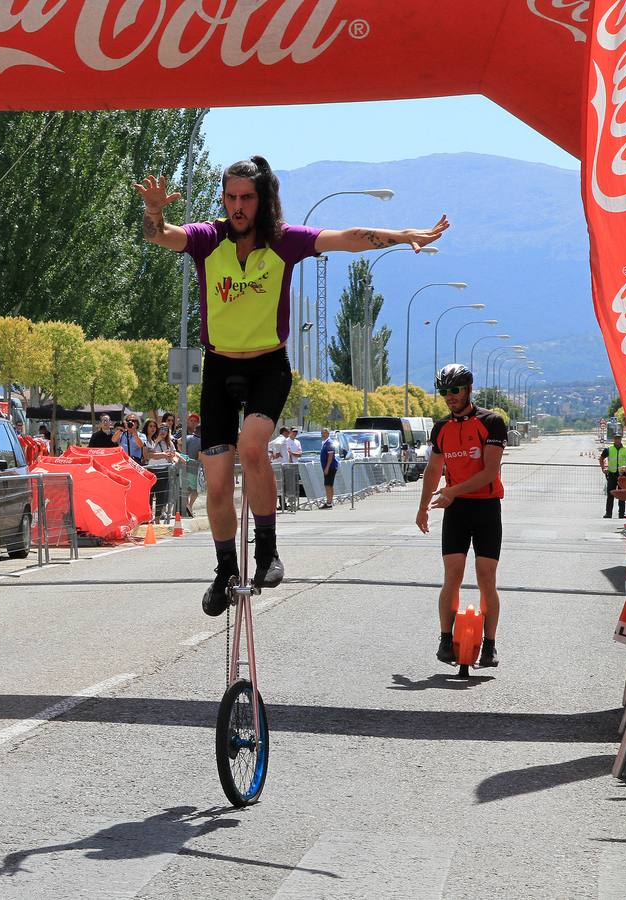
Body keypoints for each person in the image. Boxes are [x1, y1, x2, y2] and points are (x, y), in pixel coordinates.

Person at [135, 157, 449, 616]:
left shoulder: (283, 241)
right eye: (231, 197)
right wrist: (155, 212)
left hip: (269, 366)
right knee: (217, 481)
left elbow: (348, 239)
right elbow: (159, 236)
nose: (238, 206)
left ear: (262, 200)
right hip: (218, 367)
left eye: (246, 197)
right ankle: (225, 568)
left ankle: (267, 551)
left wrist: (402, 236)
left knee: (252, 447)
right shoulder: (208, 238)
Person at [416, 364, 505, 669]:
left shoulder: (491, 422)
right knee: (451, 577)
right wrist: (422, 505)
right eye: (444, 392)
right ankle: (444, 640)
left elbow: (489, 472)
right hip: (455, 510)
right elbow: (433, 469)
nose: (449, 397)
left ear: (468, 390)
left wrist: (452, 491)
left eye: (455, 390)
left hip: (486, 507)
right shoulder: (441, 428)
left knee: (486, 578)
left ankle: (490, 646)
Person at [143, 419, 173, 522]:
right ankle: (149, 517)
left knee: (161, 496)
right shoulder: (152, 440)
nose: (163, 431)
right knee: (150, 495)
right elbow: (149, 454)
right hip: (151, 470)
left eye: (166, 429)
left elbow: (172, 455)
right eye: (161, 429)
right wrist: (158, 440)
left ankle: (157, 518)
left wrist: (172, 457)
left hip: (164, 470)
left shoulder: (169, 443)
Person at [601, 433, 626, 519]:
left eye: (619, 438)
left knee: (622, 495)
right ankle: (608, 513)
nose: (617, 440)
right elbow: (602, 458)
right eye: (616, 438)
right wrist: (603, 468)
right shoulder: (609, 449)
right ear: (614, 439)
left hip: (622, 475)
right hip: (612, 474)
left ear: (621, 439)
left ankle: (621, 514)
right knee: (610, 494)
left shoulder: (625, 449)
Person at [181, 413, 202, 517]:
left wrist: (183, 455)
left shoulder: (187, 437)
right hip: (194, 469)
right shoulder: (201, 441)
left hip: (184, 467)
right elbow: (200, 457)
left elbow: (179, 442)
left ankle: (187, 508)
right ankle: (189, 506)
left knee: (186, 490)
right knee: (196, 490)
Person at [319, 427, 340, 509]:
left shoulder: (329, 443)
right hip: (326, 467)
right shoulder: (324, 442)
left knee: (328, 485)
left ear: (328, 434)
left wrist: (327, 467)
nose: (323, 435)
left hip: (330, 467)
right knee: (329, 485)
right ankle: (329, 502)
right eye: (322, 433)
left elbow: (330, 456)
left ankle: (329, 502)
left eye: (324, 433)